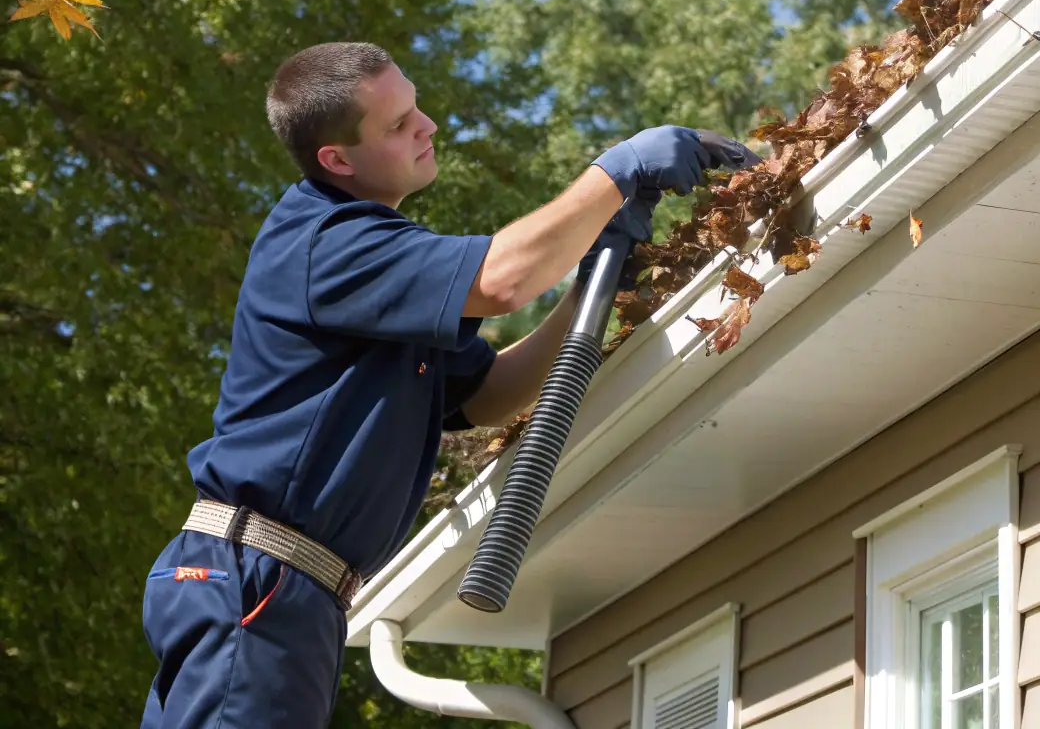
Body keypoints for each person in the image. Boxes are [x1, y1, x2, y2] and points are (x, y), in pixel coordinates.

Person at [138, 41, 759, 728]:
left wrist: (592, 287)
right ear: (336, 160)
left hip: (281, 590)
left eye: (416, 106)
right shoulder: (327, 242)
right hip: (258, 582)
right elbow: (501, 279)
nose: (426, 125)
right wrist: (615, 173)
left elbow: (490, 393)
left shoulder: (379, 267)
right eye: (398, 124)